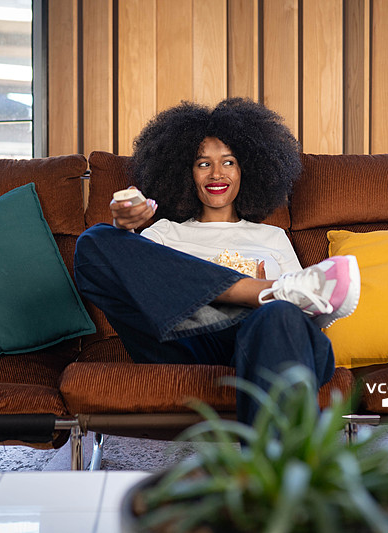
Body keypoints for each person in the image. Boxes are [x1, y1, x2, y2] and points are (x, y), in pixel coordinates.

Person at [73, 98, 360, 424]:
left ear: (248, 169)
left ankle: (269, 471)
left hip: (258, 336)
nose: (216, 173)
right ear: (185, 171)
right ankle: (261, 290)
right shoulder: (165, 232)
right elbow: (129, 285)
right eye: (203, 164)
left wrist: (270, 308)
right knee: (94, 241)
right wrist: (122, 229)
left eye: (229, 162)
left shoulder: (273, 238)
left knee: (281, 312)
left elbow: (302, 321)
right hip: (183, 340)